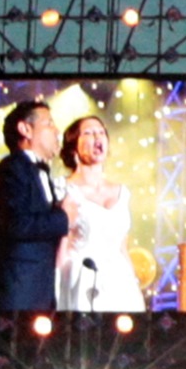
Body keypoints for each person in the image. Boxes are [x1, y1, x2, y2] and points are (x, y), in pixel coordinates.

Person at [0, 102, 67, 328]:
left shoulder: (38, 171)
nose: (57, 131)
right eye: (49, 124)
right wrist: (64, 218)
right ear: (25, 130)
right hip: (14, 290)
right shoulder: (13, 168)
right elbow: (16, 224)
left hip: (36, 289)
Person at [51, 111, 141, 318]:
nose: (98, 137)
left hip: (118, 281)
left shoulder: (122, 192)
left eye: (101, 132)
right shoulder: (62, 188)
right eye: (89, 133)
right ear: (74, 145)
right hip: (80, 276)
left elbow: (122, 247)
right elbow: (60, 244)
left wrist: (133, 284)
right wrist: (55, 287)